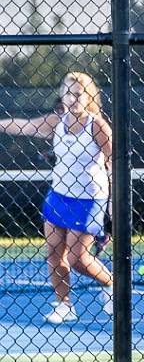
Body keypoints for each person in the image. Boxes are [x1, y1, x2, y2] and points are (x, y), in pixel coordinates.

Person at [0, 72, 114, 324]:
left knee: (77, 259)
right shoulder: (56, 121)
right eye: (68, 93)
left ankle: (112, 285)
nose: (73, 98)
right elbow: (24, 126)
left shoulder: (97, 126)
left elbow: (114, 164)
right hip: (58, 195)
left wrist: (113, 205)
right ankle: (64, 305)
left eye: (78, 93)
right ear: (61, 95)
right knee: (53, 253)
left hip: (89, 199)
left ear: (88, 96)